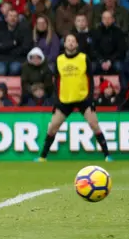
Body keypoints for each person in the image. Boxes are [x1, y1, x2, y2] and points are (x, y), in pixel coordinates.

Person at [35, 34, 112, 162]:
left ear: (76, 44)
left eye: (73, 41)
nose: (70, 43)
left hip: (83, 99)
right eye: (68, 41)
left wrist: (91, 98)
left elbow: (90, 79)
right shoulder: (59, 59)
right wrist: (57, 100)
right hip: (65, 100)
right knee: (52, 127)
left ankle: (107, 155)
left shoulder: (83, 58)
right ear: (64, 44)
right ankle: (43, 156)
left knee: (94, 125)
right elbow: (57, 81)